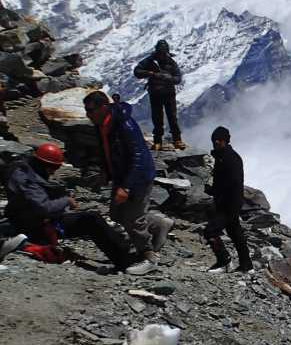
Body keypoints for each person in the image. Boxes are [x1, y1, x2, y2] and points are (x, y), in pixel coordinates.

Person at [3, 143, 132, 271]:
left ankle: (123, 253)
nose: (53, 172)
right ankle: (124, 260)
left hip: (37, 221)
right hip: (33, 226)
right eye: (53, 168)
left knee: (91, 219)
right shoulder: (25, 178)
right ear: (44, 164)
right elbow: (44, 208)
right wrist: (66, 201)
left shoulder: (28, 171)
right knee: (91, 220)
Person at [83, 90, 170, 275]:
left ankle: (149, 257)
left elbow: (138, 156)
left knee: (131, 218)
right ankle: (158, 224)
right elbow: (108, 151)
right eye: (86, 110)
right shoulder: (102, 124)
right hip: (122, 175)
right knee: (116, 214)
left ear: (103, 108)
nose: (87, 114)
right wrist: (107, 172)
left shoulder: (124, 124)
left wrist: (127, 187)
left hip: (138, 176)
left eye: (91, 110)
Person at [203, 126, 252, 272]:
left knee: (210, 232)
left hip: (228, 203)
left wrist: (216, 192)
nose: (216, 142)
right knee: (235, 232)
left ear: (225, 141)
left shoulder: (229, 158)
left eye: (219, 140)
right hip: (230, 202)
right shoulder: (223, 156)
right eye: (214, 140)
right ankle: (246, 264)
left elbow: (232, 182)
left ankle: (224, 261)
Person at [133, 39, 185, 151]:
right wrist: (150, 73)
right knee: (157, 118)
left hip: (168, 93)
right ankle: (158, 141)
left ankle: (177, 139)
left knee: (172, 117)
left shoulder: (171, 62)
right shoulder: (150, 61)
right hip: (155, 93)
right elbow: (137, 71)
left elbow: (178, 78)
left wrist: (168, 78)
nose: (161, 55)